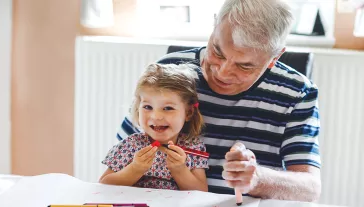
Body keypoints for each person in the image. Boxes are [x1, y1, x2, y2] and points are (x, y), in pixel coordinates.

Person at [118, 0, 321, 201]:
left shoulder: (297, 92)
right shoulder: (170, 71)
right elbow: (121, 159)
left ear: (274, 58)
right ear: (215, 25)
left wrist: (258, 178)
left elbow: (310, 188)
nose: (223, 73)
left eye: (244, 66)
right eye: (217, 51)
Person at [100, 63, 208, 191]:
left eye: (168, 108)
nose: (156, 116)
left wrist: (179, 170)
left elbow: (202, 192)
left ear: (188, 113)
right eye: (147, 107)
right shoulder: (131, 145)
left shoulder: (193, 147)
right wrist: (135, 169)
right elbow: (103, 185)